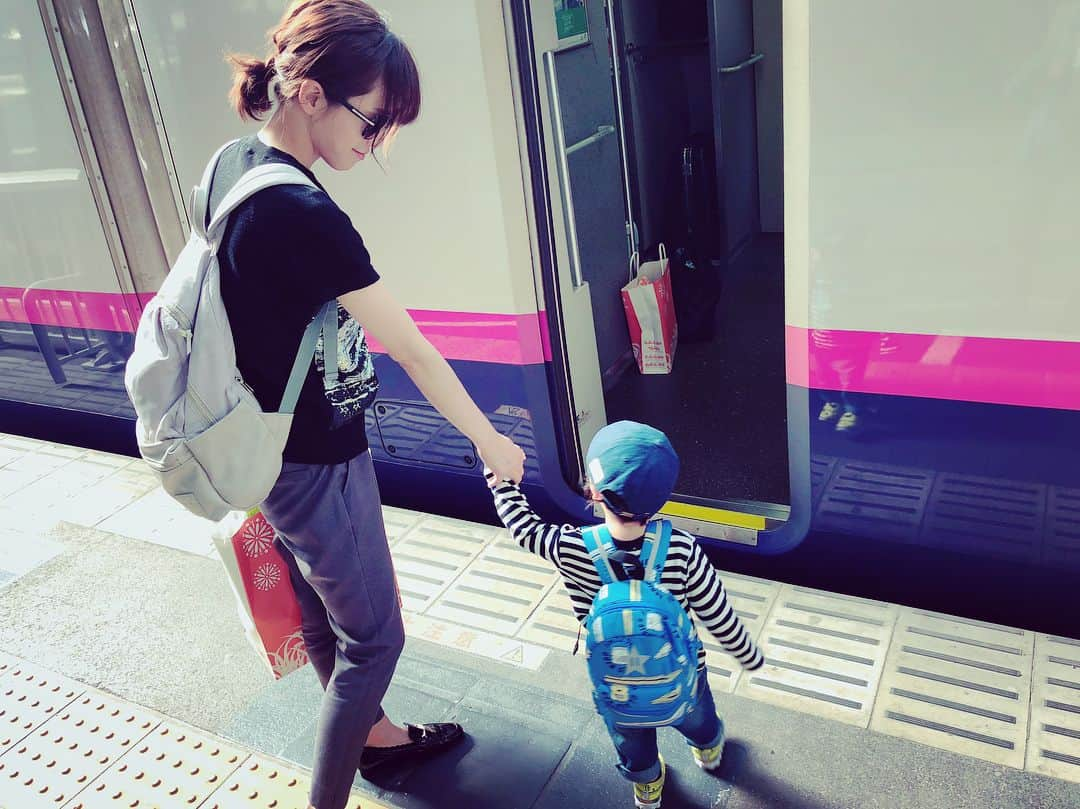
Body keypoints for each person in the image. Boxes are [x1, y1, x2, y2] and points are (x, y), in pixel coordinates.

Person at [217, 3, 525, 808]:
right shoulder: (301, 211)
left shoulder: (234, 164)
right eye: (375, 118)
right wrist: (490, 439)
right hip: (315, 463)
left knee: (325, 617)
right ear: (311, 94)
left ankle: (377, 740)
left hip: (271, 449)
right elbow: (414, 349)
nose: (380, 139)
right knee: (376, 639)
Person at [486, 421, 762, 808]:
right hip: (683, 669)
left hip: (615, 674)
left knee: (630, 737)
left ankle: (648, 787)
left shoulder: (571, 546)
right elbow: (717, 613)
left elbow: (524, 529)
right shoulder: (682, 549)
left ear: (594, 492)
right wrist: (747, 654)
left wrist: (500, 481)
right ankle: (709, 750)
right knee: (697, 715)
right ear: (661, 500)